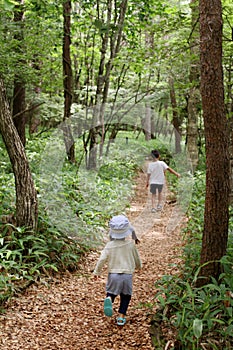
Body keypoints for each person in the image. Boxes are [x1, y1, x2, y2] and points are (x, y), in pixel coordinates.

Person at [93, 214, 142, 326]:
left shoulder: (109, 245)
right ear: (126, 232)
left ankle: (110, 298)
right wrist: (139, 267)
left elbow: (102, 259)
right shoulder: (130, 244)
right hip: (127, 275)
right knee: (126, 296)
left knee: (111, 291)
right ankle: (121, 317)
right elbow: (137, 258)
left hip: (113, 275)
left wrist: (97, 272)